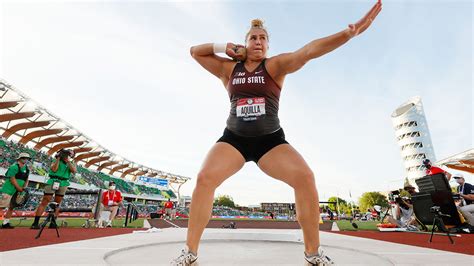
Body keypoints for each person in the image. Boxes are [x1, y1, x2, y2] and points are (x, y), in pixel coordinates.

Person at [171, 1, 382, 265]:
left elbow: (308, 51)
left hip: (270, 141)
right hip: (234, 140)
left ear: (268, 45)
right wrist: (222, 48)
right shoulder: (228, 69)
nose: (258, 42)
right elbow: (195, 52)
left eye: (263, 39)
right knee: (204, 179)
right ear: (244, 43)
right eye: (253, 38)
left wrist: (346, 34)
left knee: (305, 177)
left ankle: (313, 253)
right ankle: (189, 252)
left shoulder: (274, 66)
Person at [30, 149, 76, 229]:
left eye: (70, 154)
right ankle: (35, 222)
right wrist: (58, 158)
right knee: (45, 201)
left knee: (57, 204)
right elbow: (54, 169)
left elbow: (74, 171)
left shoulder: (71, 163)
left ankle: (53, 223)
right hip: (53, 180)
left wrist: (68, 161)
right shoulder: (56, 160)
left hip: (64, 182)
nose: (67, 155)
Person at [0, 153, 31, 229]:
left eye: (27, 158)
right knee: (1, 206)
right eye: (24, 158)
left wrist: (24, 188)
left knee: (11, 207)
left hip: (18, 191)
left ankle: (6, 223)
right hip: (9, 190)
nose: (25, 160)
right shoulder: (14, 167)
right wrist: (19, 188)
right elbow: (12, 179)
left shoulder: (27, 169)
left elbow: (27, 180)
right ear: (19, 158)